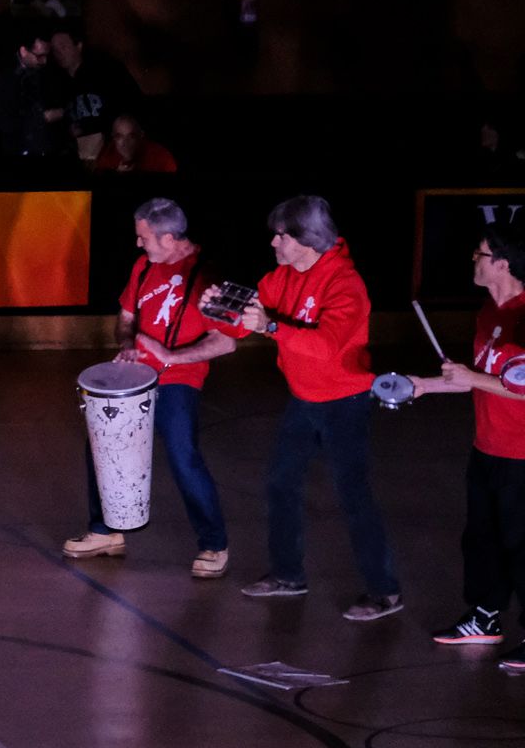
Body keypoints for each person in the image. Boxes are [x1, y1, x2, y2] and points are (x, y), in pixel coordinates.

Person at [205, 195, 401, 620]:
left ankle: (384, 590)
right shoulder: (283, 277)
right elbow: (246, 319)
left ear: (308, 240)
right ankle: (287, 575)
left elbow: (327, 346)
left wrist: (272, 326)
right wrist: (217, 312)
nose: (274, 243)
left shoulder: (344, 284)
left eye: (283, 236)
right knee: (280, 483)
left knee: (353, 495)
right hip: (304, 398)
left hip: (344, 401)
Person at [62, 199, 233, 576]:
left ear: (169, 238)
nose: (139, 245)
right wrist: (127, 344)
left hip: (178, 377)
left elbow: (226, 341)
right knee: (100, 445)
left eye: (144, 238)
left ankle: (213, 544)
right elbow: (126, 317)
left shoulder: (206, 275)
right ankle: (106, 531)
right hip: (134, 375)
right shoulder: (144, 266)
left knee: (182, 454)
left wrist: (170, 355)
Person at [408, 222, 525, 659]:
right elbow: (479, 381)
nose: (473, 261)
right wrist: (422, 385)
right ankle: (485, 617)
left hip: (521, 455)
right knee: (482, 539)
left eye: (479, 254)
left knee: (521, 544)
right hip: (488, 448)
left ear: (502, 262)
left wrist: (474, 377)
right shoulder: (488, 313)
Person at [50, 25, 142, 159]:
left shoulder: (105, 71)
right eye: (55, 50)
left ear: (79, 45)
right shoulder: (59, 86)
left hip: (113, 151)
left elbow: (130, 104)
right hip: (83, 155)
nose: (59, 53)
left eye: (63, 46)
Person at [0, 27, 69, 158]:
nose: (44, 61)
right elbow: (5, 122)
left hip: (48, 148)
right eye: (39, 56)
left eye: (47, 55)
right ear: (23, 51)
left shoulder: (47, 72)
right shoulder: (7, 80)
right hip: (20, 152)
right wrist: (42, 118)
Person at [92, 115, 178, 173]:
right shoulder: (106, 155)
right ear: (113, 137)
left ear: (141, 136)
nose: (125, 143)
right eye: (119, 136)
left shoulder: (162, 157)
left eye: (131, 136)